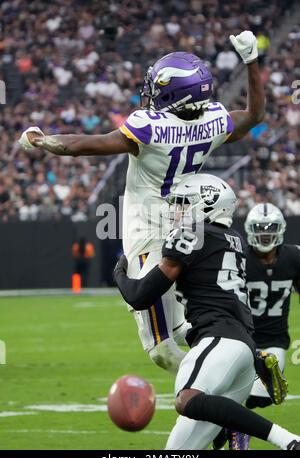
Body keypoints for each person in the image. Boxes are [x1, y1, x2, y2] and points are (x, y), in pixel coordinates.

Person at [18, 31, 265, 375]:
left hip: (149, 234)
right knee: (187, 327)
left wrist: (43, 141)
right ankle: (241, 368)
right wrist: (252, 60)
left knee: (162, 350)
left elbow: (84, 144)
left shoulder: (150, 127)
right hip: (191, 228)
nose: (151, 94)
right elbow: (254, 115)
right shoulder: (213, 121)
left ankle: (226, 386)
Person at [114, 173, 300, 450]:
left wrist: (120, 270)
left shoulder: (192, 234)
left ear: (206, 205)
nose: (176, 210)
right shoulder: (232, 238)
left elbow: (140, 295)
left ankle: (288, 440)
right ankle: (231, 424)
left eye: (183, 203)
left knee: (186, 398)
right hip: (242, 349)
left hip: (219, 339)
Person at [229, 203, 300, 448]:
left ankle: (230, 422)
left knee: (260, 399)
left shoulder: (293, 257)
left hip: (275, 341)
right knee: (232, 391)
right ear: (250, 230)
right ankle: (231, 426)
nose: (265, 234)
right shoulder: (240, 259)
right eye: (260, 229)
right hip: (241, 337)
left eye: (270, 229)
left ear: (280, 231)